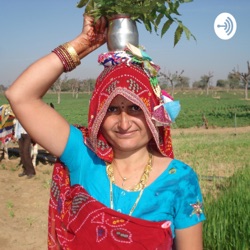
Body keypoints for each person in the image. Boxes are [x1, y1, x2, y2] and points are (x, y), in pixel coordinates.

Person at [5, 14, 205, 249]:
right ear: (98, 113)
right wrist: (82, 45)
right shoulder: (84, 155)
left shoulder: (180, 180)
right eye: (112, 109)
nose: (124, 123)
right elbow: (20, 96)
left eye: (134, 108)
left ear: (153, 111)